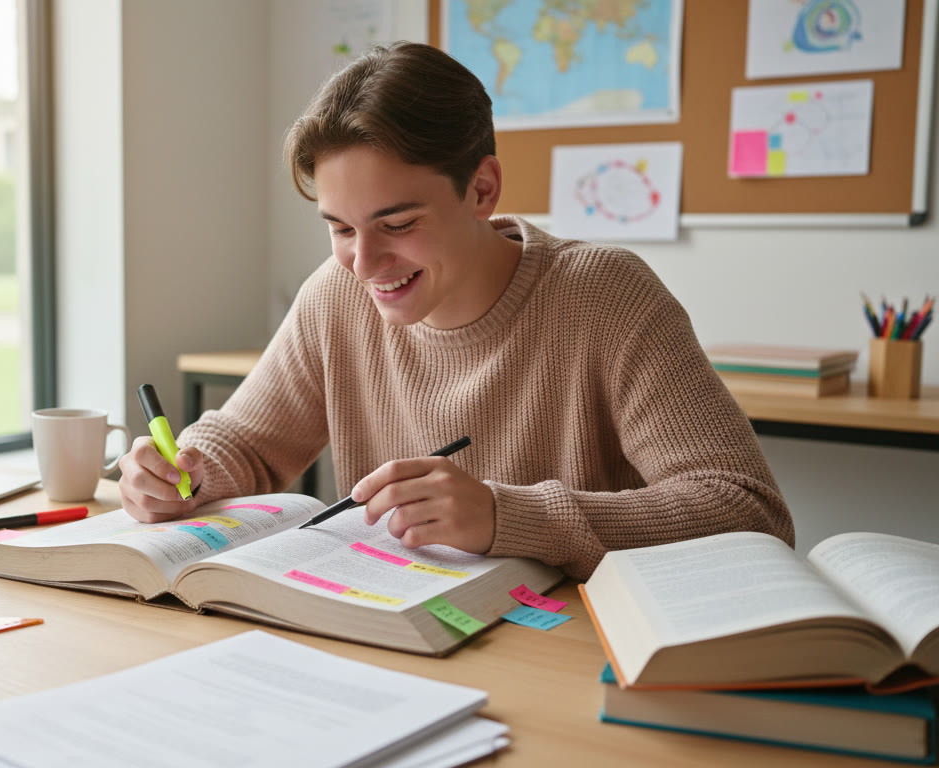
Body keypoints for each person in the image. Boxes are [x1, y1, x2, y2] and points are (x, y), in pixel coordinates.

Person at [117, 41, 792, 580]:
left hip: (574, 649)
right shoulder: (337, 293)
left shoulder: (604, 295)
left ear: (483, 189)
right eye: (340, 228)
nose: (364, 262)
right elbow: (247, 445)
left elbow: (748, 512)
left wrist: (507, 515)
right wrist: (185, 472)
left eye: (398, 222)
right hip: (398, 627)